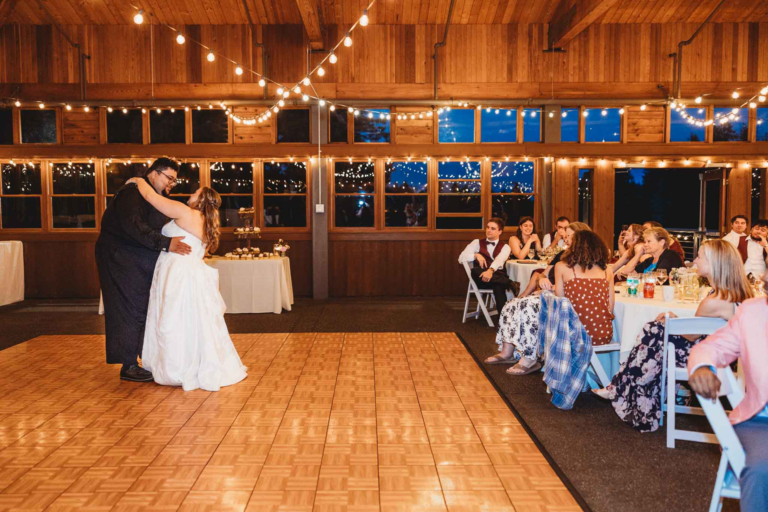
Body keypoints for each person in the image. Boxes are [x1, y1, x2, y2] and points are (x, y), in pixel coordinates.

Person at [593, 240, 753, 432]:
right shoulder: (731, 293)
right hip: (727, 355)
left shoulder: (715, 299)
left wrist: (669, 321)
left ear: (714, 263)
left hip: (711, 359)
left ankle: (621, 387)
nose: (695, 261)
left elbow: (691, 335)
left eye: (700, 257)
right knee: (656, 331)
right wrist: (672, 320)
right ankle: (621, 386)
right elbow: (698, 329)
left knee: (654, 331)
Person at [125, 177, 248, 391]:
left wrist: (138, 180)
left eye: (195, 193)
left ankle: (177, 368)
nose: (190, 194)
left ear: (201, 200)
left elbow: (150, 196)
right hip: (191, 273)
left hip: (178, 274)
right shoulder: (207, 222)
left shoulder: (185, 212)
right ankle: (191, 363)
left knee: (174, 318)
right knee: (192, 320)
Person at [95, 158, 192, 382]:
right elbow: (134, 227)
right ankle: (128, 365)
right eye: (169, 178)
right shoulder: (131, 193)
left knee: (141, 308)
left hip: (137, 258)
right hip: (120, 258)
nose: (171, 184)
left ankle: (139, 358)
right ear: (154, 173)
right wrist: (166, 244)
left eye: (174, 181)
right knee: (127, 309)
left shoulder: (152, 194)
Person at [688, 275, 768, 512]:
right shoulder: (753, 311)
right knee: (762, 470)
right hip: (760, 422)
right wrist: (702, 366)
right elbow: (712, 347)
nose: (763, 277)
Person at [489, 230, 613, 375]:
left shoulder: (562, 266)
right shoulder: (608, 270)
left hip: (571, 335)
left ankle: (529, 357)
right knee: (529, 307)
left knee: (533, 311)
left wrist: (544, 294)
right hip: (602, 334)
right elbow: (610, 308)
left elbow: (558, 304)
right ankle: (519, 354)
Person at [518, 222, 591, 298]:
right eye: (565, 237)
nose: (566, 240)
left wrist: (551, 289)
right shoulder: (562, 254)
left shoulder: (588, 260)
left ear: (580, 237)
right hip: (549, 295)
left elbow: (580, 287)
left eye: (569, 236)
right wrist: (542, 279)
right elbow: (542, 274)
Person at [458, 218, 511, 318]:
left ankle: (503, 319)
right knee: (475, 270)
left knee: (498, 285)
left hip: (495, 278)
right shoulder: (476, 243)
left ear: (500, 231)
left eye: (493, 228)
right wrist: (476, 255)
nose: (489, 230)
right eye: (487, 227)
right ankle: (509, 283)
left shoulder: (505, 247)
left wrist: (490, 271)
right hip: (482, 279)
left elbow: (499, 260)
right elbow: (461, 258)